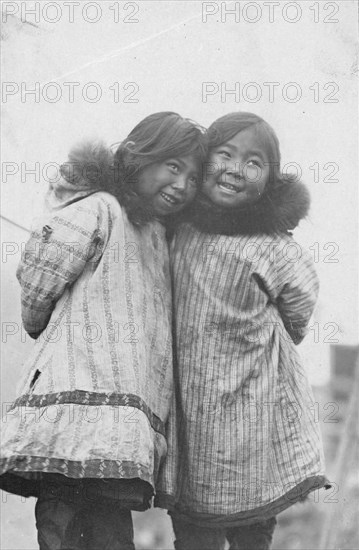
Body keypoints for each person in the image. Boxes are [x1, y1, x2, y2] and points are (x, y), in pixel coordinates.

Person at [0, 112, 206, 550]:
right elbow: (42, 265)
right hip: (72, 407)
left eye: (193, 176)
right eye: (174, 166)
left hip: (115, 436)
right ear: (139, 155)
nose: (182, 184)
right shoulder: (102, 207)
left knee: (112, 536)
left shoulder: (156, 238)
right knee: (62, 527)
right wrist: (37, 320)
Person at [155, 112, 329, 550]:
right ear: (204, 157)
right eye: (225, 154)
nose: (236, 169)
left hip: (255, 409)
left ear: (269, 180)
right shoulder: (179, 229)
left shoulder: (271, 245)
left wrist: (266, 335)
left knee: (254, 531)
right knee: (195, 535)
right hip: (193, 414)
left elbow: (301, 302)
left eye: (254, 163)